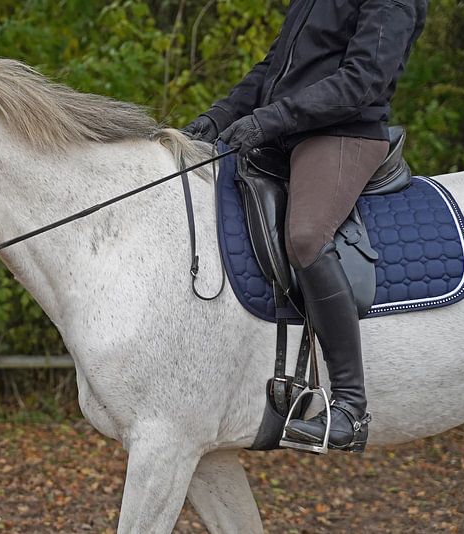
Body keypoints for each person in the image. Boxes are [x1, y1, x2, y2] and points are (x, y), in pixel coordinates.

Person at [183, 0, 428, 452]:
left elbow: (364, 82)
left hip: (344, 132)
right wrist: (219, 117)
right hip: (288, 133)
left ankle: (351, 408)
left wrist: (269, 119)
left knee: (307, 235)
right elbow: (271, 70)